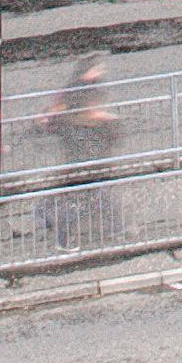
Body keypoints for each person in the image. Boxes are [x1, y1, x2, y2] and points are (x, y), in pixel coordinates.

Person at [43, 53, 124, 245]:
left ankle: (117, 229)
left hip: (90, 154)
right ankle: (61, 234)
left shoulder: (91, 88)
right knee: (81, 199)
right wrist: (100, 118)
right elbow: (74, 113)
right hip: (81, 153)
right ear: (87, 71)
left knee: (95, 197)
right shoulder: (75, 91)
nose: (101, 71)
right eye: (97, 68)